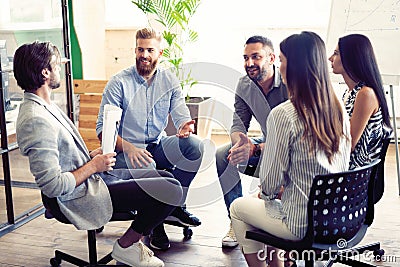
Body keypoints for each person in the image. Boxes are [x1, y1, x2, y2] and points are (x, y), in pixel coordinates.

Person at [14, 41, 184, 267]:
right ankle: (126, 247)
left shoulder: (46, 106)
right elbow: (53, 186)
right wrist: (94, 166)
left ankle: (131, 246)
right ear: (45, 72)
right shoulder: (35, 119)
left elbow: (65, 158)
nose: (61, 69)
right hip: (73, 197)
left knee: (169, 180)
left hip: (88, 183)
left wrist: (92, 156)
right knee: (170, 190)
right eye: (56, 65)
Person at [230, 31, 352, 267]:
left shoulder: (284, 114)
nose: (280, 66)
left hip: (300, 224)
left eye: (282, 61)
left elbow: (270, 185)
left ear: (292, 67)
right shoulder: (338, 108)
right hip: (336, 217)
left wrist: (265, 194)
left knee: (239, 209)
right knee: (264, 204)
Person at [96, 27, 204, 251]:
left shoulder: (168, 80)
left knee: (195, 147)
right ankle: (155, 224)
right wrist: (130, 148)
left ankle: (173, 206)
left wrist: (185, 127)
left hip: (157, 144)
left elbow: (181, 114)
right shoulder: (119, 82)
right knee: (149, 164)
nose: (144, 55)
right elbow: (102, 131)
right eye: (140, 49)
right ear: (135, 50)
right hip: (125, 151)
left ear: (159, 53)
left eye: (150, 50)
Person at [215, 35, 288, 248]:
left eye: (256, 57)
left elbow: (296, 136)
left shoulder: (288, 82)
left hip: (290, 147)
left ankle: (279, 221)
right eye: (246, 58)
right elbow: (238, 123)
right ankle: (237, 221)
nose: (249, 64)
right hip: (266, 143)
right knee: (223, 155)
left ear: (271, 58)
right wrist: (241, 145)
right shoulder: (244, 84)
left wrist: (256, 148)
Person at [329, 33, 392, 169]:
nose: (330, 58)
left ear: (351, 59)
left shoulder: (365, 94)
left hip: (355, 174)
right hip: (344, 165)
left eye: (336, 53)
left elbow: (348, 144)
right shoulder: (349, 92)